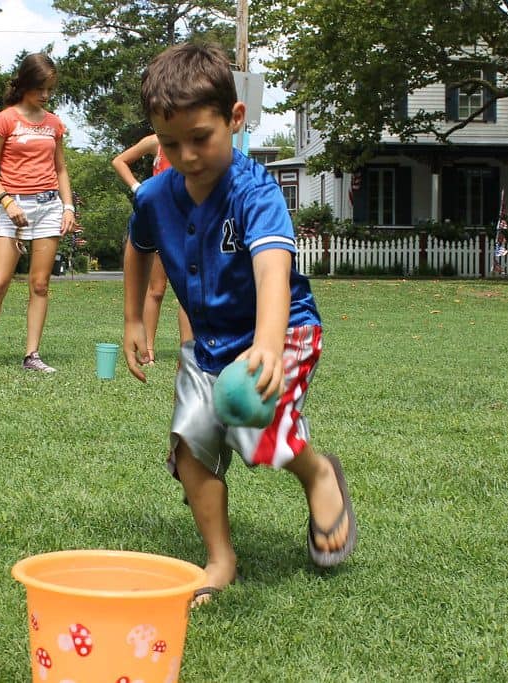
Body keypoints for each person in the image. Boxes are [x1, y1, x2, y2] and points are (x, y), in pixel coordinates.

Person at [123, 43, 357, 606]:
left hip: (282, 332)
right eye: (170, 143)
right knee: (190, 449)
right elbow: (139, 246)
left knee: (256, 431)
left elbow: (273, 269)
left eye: (200, 138)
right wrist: (134, 316)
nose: (187, 155)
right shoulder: (156, 195)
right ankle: (220, 558)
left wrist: (270, 348)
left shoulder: (257, 193)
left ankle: (320, 475)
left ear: (234, 119)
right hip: (207, 347)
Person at [0, 53, 75, 375]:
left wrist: (68, 206)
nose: (45, 95)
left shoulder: (53, 124)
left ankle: (32, 355)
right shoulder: (5, 120)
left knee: (40, 284)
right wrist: (8, 202)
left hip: (49, 207)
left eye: (49, 88)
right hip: (13, 208)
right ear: (25, 84)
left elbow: (60, 169)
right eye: (40, 87)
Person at [112, 134, 186, 365]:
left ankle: (190, 353)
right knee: (156, 290)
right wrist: (138, 188)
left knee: (189, 291)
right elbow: (119, 161)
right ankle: (148, 351)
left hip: (188, 219)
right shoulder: (156, 141)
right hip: (159, 219)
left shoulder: (196, 141)